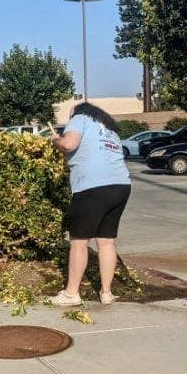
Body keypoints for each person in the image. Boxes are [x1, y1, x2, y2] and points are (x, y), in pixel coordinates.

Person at [47, 102, 131, 306]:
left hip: (92, 187)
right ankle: (106, 293)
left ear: (76, 113)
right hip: (121, 185)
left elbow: (69, 145)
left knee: (79, 241)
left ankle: (71, 294)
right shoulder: (108, 129)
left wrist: (56, 141)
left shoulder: (79, 119)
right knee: (106, 241)